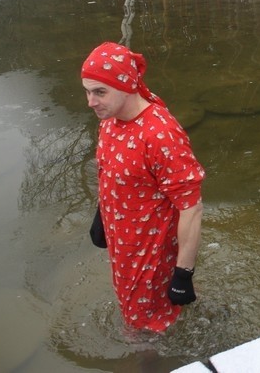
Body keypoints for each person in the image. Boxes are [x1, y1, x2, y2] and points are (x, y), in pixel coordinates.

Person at [82, 41, 205, 333]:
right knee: (141, 313)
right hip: (122, 243)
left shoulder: (160, 134)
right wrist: (102, 215)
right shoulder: (110, 121)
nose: (90, 102)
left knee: (141, 328)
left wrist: (183, 274)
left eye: (100, 92)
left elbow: (192, 207)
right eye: (87, 91)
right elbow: (111, 171)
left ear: (128, 85)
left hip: (151, 250)